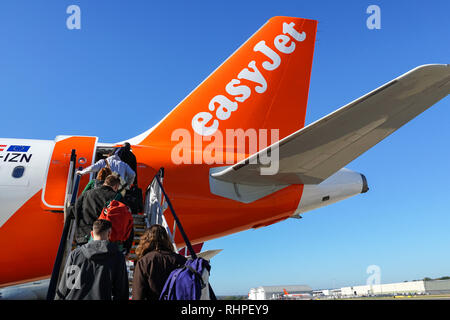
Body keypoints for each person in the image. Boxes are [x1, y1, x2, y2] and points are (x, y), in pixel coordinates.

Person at [55, 219, 129, 300]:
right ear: (109, 233)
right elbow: (121, 291)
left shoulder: (76, 254)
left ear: (92, 234)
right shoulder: (118, 257)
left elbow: (67, 285)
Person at [131, 224, 186, 300]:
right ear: (167, 239)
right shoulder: (181, 260)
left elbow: (138, 294)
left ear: (147, 240)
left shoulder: (144, 261)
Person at [74, 174, 122, 245]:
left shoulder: (87, 193)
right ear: (116, 186)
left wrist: (78, 230)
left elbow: (77, 208)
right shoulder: (116, 197)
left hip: (83, 235)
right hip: (103, 237)